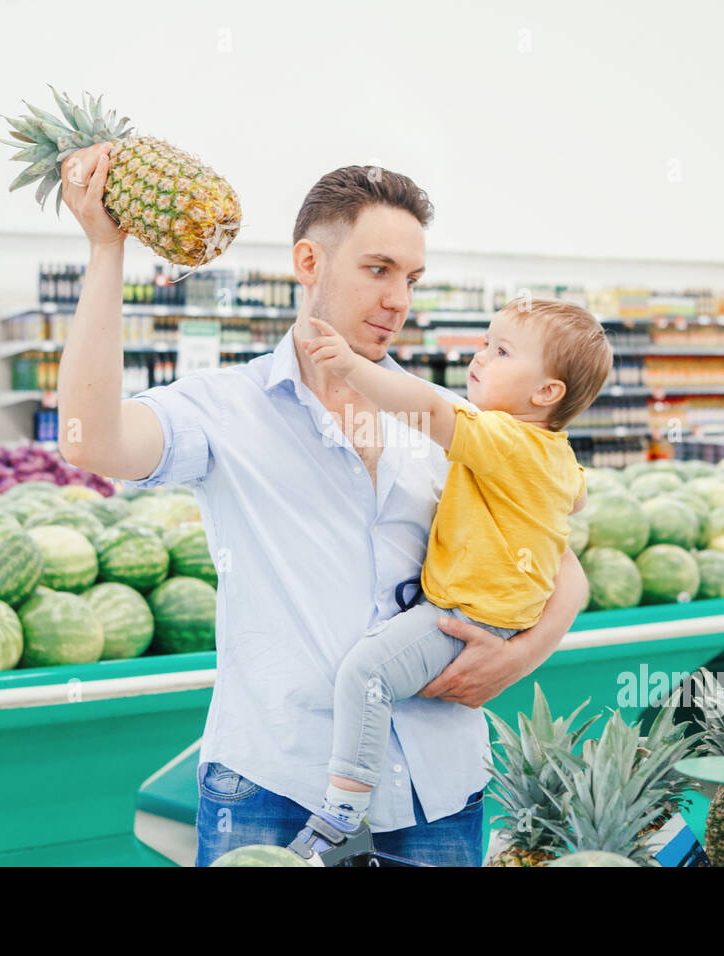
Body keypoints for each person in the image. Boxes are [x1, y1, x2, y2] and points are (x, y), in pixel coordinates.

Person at [56, 145, 589, 866]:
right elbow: (92, 442)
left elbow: (564, 567)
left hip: (435, 785)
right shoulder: (225, 408)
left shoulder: (456, 423)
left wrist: (521, 654)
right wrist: (105, 250)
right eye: (378, 270)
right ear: (309, 263)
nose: (399, 299)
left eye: (411, 277)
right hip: (273, 783)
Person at [288, 298, 611, 863]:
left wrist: (350, 367)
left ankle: (340, 817)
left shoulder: (505, 439)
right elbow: (578, 499)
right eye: (486, 342)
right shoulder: (556, 454)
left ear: (546, 394)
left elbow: (426, 410)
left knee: (366, 675)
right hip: (501, 618)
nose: (480, 356)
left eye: (502, 350)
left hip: (464, 616)